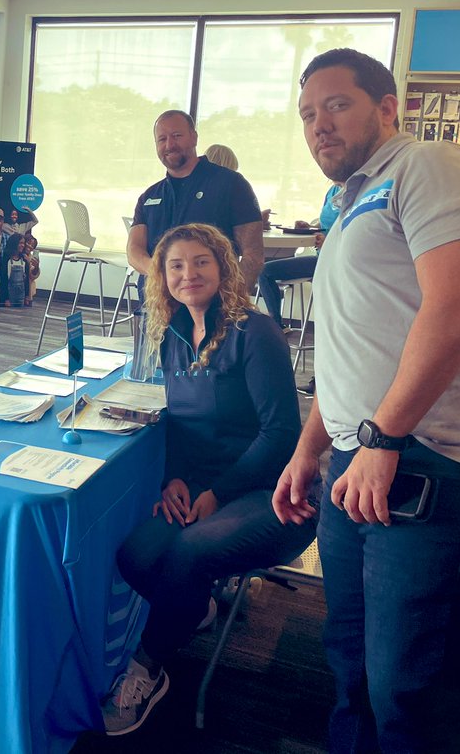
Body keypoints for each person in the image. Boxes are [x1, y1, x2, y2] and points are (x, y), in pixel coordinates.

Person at [272, 48, 460, 754]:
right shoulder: (354, 198)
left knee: (410, 688)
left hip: (443, 464)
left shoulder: (431, 167)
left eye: (336, 104)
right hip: (362, 464)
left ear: (388, 108)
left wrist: (384, 440)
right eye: (306, 114)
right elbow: (353, 347)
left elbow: (458, 310)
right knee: (353, 665)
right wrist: (309, 451)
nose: (318, 125)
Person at [101, 223, 315, 736]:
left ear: (222, 267)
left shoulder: (254, 332)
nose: (187, 273)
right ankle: (195, 607)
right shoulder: (172, 331)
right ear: (162, 276)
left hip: (271, 490)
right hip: (198, 487)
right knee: (133, 555)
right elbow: (177, 419)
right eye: (175, 265)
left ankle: (147, 669)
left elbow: (281, 434)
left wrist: (217, 494)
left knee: (185, 556)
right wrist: (174, 478)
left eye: (200, 262)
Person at [127, 111, 265, 293]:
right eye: (162, 139)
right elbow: (134, 249)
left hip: (213, 309)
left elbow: (253, 255)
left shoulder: (231, 184)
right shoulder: (149, 196)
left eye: (177, 136)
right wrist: (159, 271)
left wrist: (231, 300)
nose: (169, 144)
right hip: (156, 306)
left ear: (194, 137)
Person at [256, 182, 342, 329]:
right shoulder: (333, 191)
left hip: (336, 260)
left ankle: (275, 327)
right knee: (263, 271)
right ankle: (277, 326)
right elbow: (325, 225)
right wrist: (309, 228)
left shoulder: (357, 192)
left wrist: (329, 241)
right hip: (321, 257)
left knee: (265, 271)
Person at [3, 234, 28, 308]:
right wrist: (6, 298)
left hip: (21, 296)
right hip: (10, 295)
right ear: (14, 243)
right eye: (20, 243)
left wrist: (26, 296)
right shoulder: (6, 260)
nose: (22, 245)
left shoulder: (24, 260)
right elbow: (4, 280)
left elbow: (26, 281)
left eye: (23, 243)